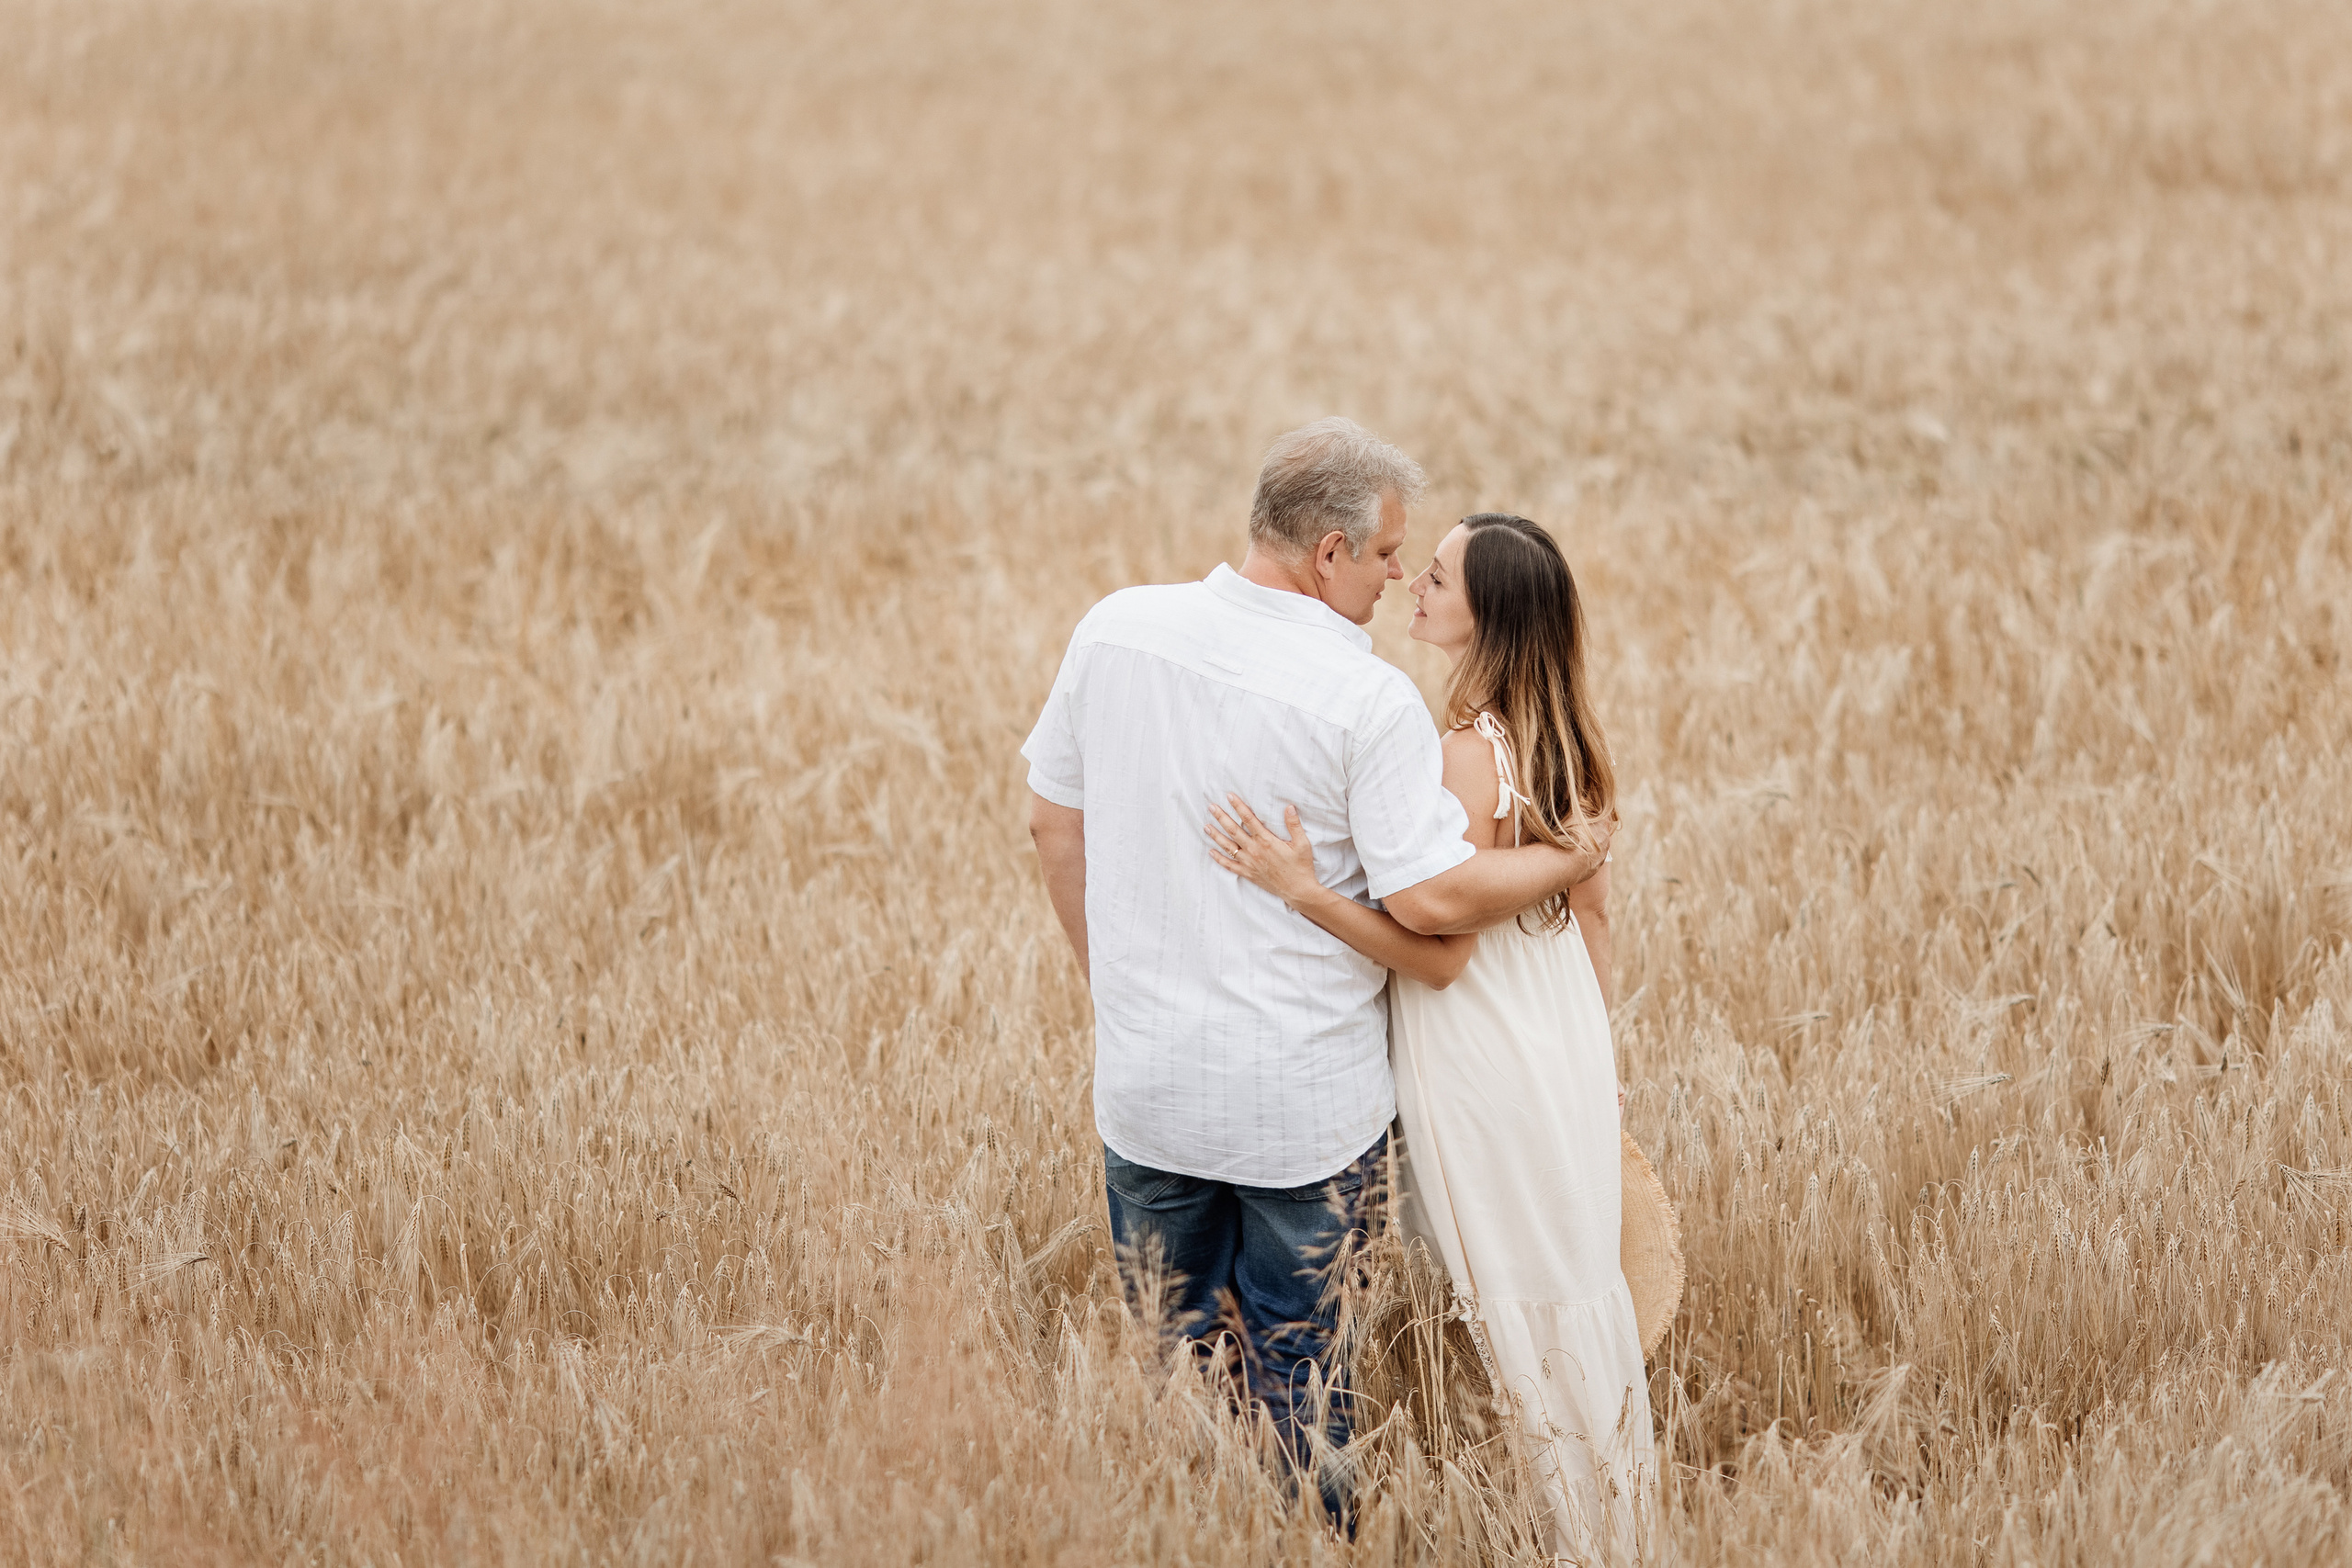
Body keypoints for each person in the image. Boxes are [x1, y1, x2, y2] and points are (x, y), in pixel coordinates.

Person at [1022, 422, 1611, 1520]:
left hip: (1146, 1092)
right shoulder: (1367, 699)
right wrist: (1563, 859)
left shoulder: (1114, 629)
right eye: (1390, 555)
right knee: (1304, 1384)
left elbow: (1055, 827)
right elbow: (1434, 905)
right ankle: (1307, 1546)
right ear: (1329, 551)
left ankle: (1193, 1538)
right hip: (1304, 1119)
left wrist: (1120, 994)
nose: (1399, 578)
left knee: (1179, 1368)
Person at [1204, 513, 1652, 1563]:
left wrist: (1300, 891)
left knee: (1510, 1289)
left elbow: (1435, 930)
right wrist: (1600, 1065)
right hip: (1561, 1038)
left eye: (1438, 577)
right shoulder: (1573, 745)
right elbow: (1591, 917)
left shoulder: (1463, 753)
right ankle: (1610, 1522)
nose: (1413, 583)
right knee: (1566, 1281)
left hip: (1479, 1041)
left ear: (1484, 615)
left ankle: (1570, 1534)